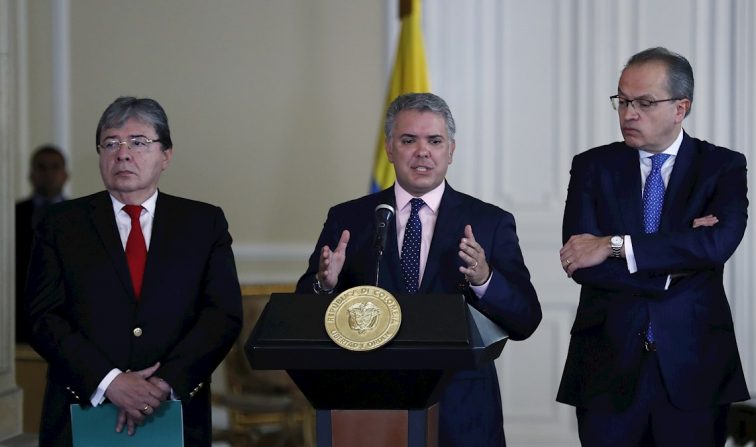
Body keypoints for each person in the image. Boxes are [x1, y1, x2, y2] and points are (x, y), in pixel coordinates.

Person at [296, 92, 542, 446]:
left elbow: (526, 319)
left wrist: (485, 279)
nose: (422, 151)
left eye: (435, 141)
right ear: (389, 149)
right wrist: (325, 285)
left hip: (462, 409)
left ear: (451, 151)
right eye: (409, 140)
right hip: (371, 407)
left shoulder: (489, 222)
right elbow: (304, 304)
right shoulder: (349, 218)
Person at [556, 47, 749, 446]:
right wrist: (679, 259)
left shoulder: (722, 167)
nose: (629, 113)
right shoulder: (593, 166)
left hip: (694, 368)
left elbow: (716, 245)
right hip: (606, 368)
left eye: (645, 102)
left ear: (681, 108)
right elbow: (581, 260)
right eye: (623, 100)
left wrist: (613, 244)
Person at [25, 96, 243, 446]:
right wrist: (110, 381)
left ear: (166, 155)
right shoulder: (60, 224)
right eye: (111, 143)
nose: (123, 154)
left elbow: (223, 314)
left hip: (174, 411)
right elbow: (42, 316)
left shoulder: (203, 223)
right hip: (80, 410)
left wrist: (161, 385)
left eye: (139, 142)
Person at [16, 145, 69, 344]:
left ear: (65, 174)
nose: (49, 174)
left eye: (55, 167)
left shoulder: (80, 216)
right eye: (42, 167)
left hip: (65, 315)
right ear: (31, 174)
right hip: (20, 313)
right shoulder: (12, 215)